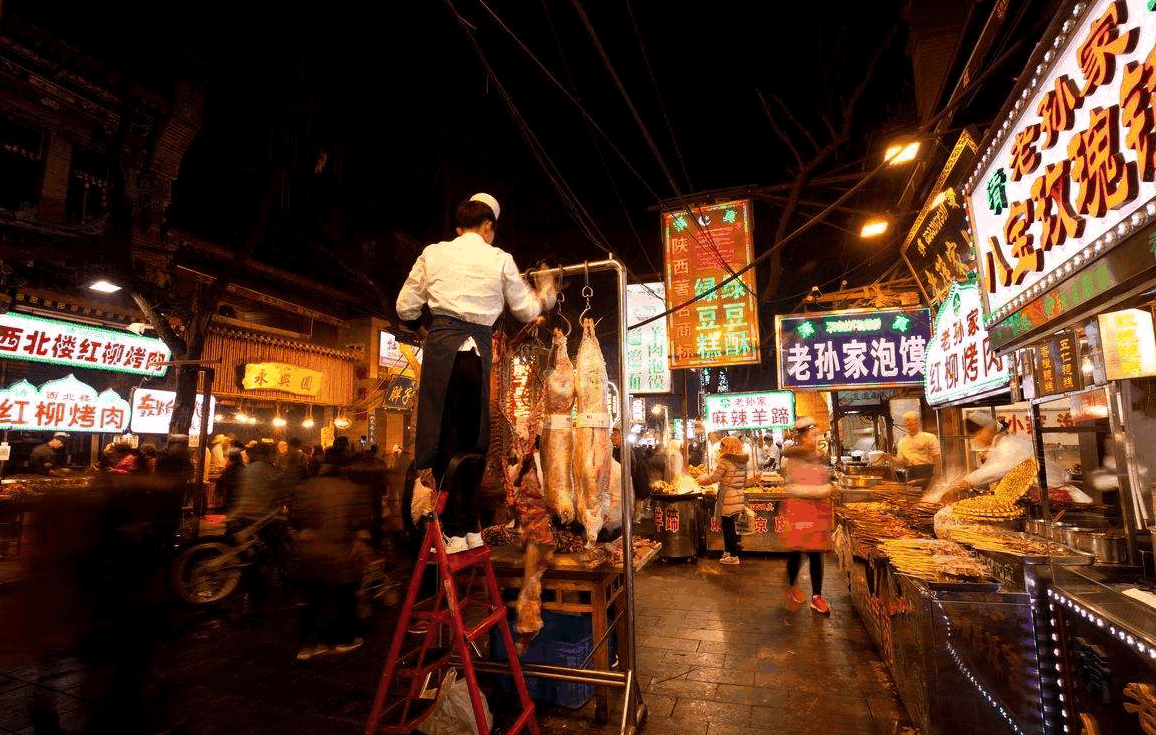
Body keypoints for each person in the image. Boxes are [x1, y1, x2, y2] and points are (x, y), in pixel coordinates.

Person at [395, 192, 556, 548]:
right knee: (474, 441)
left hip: (441, 352)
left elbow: (405, 307)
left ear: (458, 228)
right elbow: (528, 311)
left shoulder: (433, 253)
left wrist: (424, 326)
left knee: (443, 440)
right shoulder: (500, 259)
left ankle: (452, 530)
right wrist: (546, 294)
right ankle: (466, 528)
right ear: (488, 227)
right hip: (476, 356)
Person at [289, 446, 374, 660]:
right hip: (341, 554)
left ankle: (308, 646)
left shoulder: (306, 487)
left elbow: (295, 518)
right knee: (345, 598)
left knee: (311, 600)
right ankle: (344, 640)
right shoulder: (353, 489)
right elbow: (362, 521)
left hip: (309, 554)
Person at [780, 417, 834, 615]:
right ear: (802, 437)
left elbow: (821, 479)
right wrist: (822, 490)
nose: (815, 437)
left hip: (817, 512)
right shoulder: (794, 458)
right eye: (812, 434)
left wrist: (826, 488)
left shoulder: (817, 456)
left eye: (816, 434)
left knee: (816, 554)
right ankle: (791, 586)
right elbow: (793, 486)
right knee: (796, 552)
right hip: (799, 510)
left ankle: (816, 597)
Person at [694, 436, 749, 565]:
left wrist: (701, 479)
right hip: (738, 497)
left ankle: (733, 556)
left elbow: (714, 478)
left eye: (723, 446)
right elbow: (744, 480)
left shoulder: (725, 461)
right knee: (731, 527)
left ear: (729, 447)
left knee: (728, 527)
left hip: (728, 498)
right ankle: (728, 552)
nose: (720, 448)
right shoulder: (742, 462)